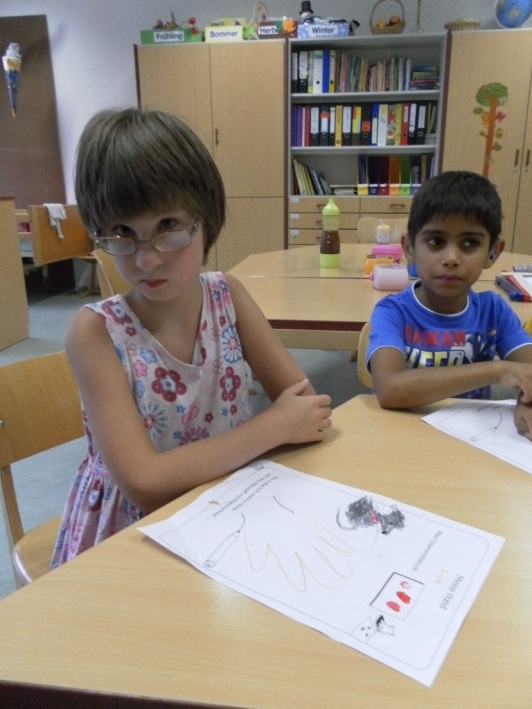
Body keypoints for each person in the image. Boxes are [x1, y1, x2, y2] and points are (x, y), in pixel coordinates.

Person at [51, 107, 332, 568]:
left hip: (226, 504)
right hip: (130, 534)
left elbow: (306, 405)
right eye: (122, 233)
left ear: (205, 218)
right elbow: (144, 480)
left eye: (168, 228)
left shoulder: (228, 295)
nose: (147, 260)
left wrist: (284, 421)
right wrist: (270, 427)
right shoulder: (94, 332)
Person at [365, 170, 532, 438]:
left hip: (474, 442)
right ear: (409, 249)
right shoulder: (392, 311)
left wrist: (527, 402)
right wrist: (499, 370)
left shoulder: (494, 311)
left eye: (469, 243)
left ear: (493, 253)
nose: (451, 258)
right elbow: (389, 389)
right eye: (435, 241)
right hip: (399, 440)